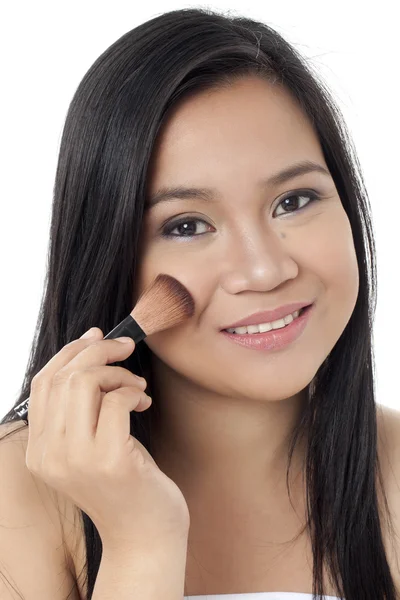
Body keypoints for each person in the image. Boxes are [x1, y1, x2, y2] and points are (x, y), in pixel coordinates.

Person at [0, 7, 399, 600]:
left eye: (293, 201)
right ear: (109, 253)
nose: (266, 270)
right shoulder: (16, 493)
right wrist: (141, 545)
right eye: (187, 225)